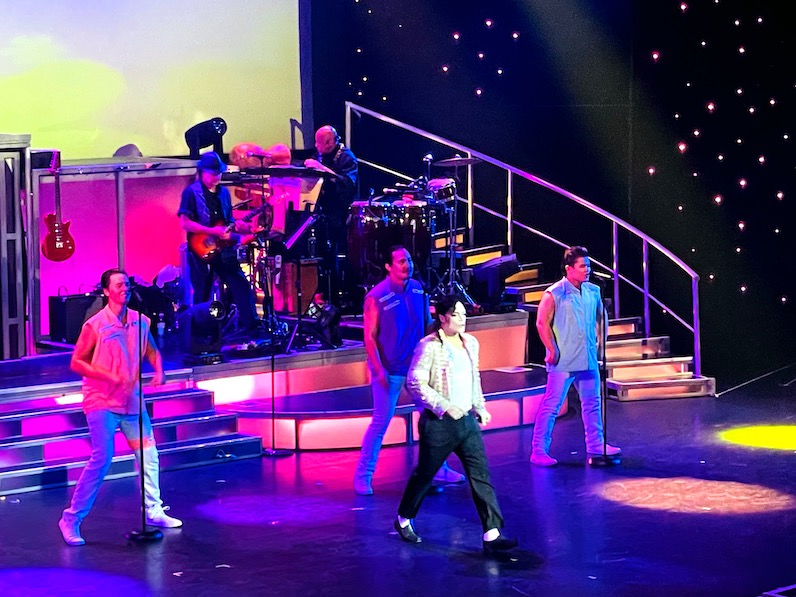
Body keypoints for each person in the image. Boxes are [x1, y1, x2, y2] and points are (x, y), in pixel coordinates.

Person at [58, 269, 182, 546]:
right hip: (101, 401)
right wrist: (108, 375)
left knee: (149, 455)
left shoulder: (140, 321)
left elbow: (151, 350)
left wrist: (159, 371)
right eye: (118, 285)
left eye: (126, 284)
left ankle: (153, 510)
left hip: (132, 402)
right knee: (102, 458)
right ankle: (71, 519)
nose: (124, 288)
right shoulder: (95, 325)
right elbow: (77, 362)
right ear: (106, 291)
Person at [394, 295, 517, 555]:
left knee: (480, 475)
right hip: (439, 424)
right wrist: (444, 405)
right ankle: (404, 517)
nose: (462, 319)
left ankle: (492, 533)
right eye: (456, 314)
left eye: (464, 314)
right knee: (425, 474)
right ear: (442, 317)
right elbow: (414, 382)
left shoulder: (470, 343)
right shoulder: (429, 346)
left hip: (466, 422)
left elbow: (474, 379)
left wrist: (480, 407)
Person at [353, 246, 465, 496]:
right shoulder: (376, 296)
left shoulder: (417, 289)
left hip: (417, 368)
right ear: (388, 267)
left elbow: (426, 324)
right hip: (390, 369)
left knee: (432, 420)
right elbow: (369, 337)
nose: (407, 265)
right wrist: (379, 370)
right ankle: (363, 476)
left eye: (409, 260)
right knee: (380, 423)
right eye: (401, 261)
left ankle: (439, 469)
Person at [530, 246, 622, 466]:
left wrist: (600, 345)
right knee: (552, 405)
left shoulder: (593, 291)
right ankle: (538, 450)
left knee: (592, 403)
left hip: (587, 357)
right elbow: (542, 322)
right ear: (569, 268)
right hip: (563, 359)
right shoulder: (555, 293)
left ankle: (596, 445)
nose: (587, 270)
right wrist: (552, 349)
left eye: (588, 266)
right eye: (582, 266)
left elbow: (601, 319)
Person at [178, 151, 259, 332]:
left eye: (219, 173)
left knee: (241, 284)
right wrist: (211, 231)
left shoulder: (224, 193)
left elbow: (228, 221)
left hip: (224, 250)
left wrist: (239, 227)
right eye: (213, 174)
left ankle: (250, 325)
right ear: (202, 172)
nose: (217, 177)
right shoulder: (191, 192)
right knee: (202, 291)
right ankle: (201, 332)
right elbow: (185, 223)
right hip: (200, 250)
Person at [303, 125, 359, 303]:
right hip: (325, 213)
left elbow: (347, 184)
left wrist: (320, 168)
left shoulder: (347, 157)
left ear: (329, 142)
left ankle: (338, 296)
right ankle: (324, 292)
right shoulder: (322, 156)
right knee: (324, 253)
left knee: (336, 253)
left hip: (342, 214)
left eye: (318, 142)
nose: (315, 146)